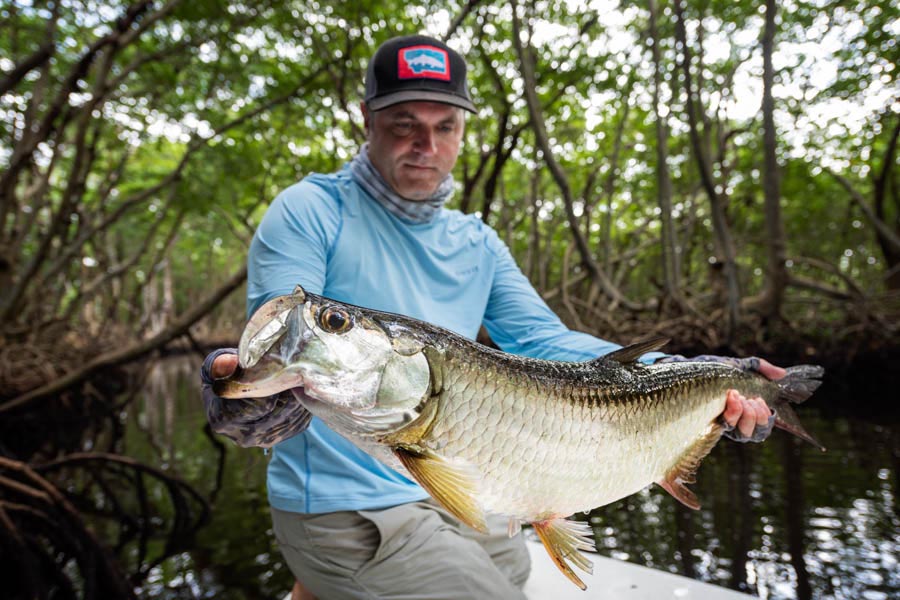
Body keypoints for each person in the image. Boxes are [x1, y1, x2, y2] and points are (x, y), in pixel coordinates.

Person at [201, 34, 779, 599]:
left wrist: (695, 372)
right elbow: (280, 343)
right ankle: (324, 571)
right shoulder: (310, 210)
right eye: (404, 123)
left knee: (515, 580)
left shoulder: (476, 241)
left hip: (473, 492)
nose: (425, 144)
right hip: (350, 508)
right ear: (366, 119)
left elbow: (544, 339)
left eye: (444, 126)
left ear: (461, 131)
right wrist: (241, 390)